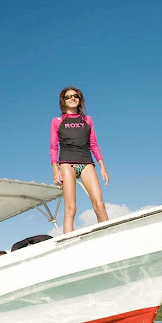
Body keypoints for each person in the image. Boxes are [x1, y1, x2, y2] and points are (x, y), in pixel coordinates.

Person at [50, 87, 110, 233]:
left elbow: (94, 144)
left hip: (86, 161)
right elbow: (53, 147)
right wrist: (55, 169)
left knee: (99, 204)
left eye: (75, 96)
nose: (72, 98)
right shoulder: (57, 121)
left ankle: (108, 236)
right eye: (68, 96)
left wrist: (103, 166)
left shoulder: (87, 120)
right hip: (67, 163)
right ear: (63, 102)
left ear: (80, 99)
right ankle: (68, 244)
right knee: (71, 208)